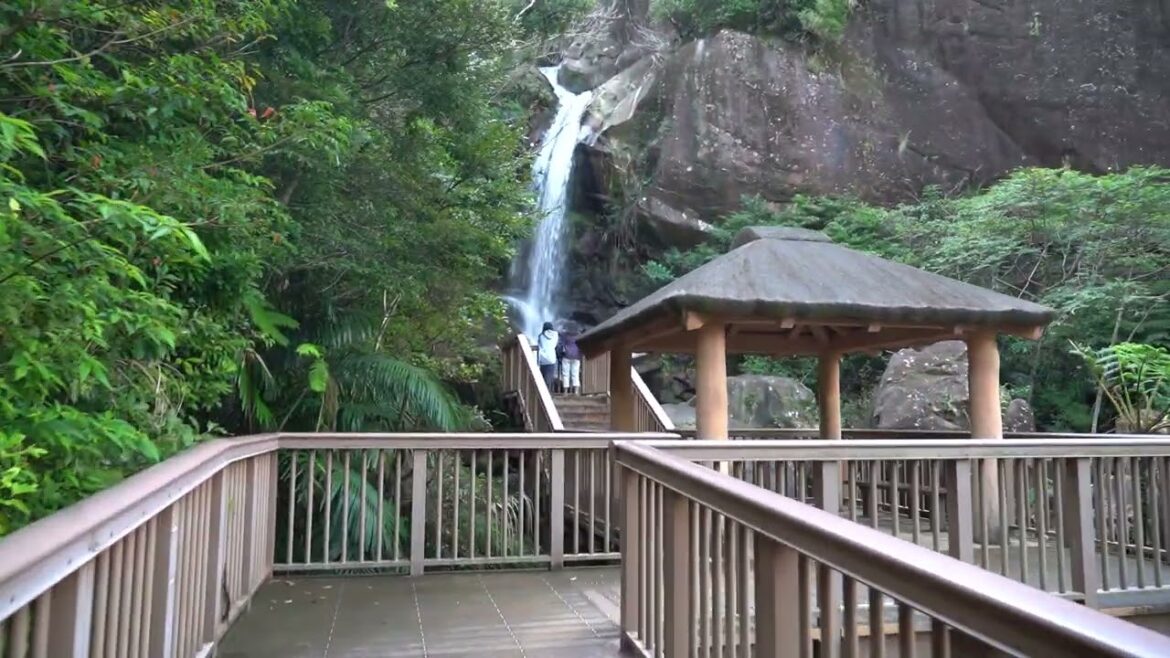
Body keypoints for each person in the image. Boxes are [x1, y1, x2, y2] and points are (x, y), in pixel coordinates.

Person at [535, 321, 559, 390]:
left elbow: (540, 345)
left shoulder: (541, 336)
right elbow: (555, 344)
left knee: (542, 376)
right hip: (552, 358)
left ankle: (542, 391)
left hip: (543, 358)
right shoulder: (556, 335)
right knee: (549, 377)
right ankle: (549, 391)